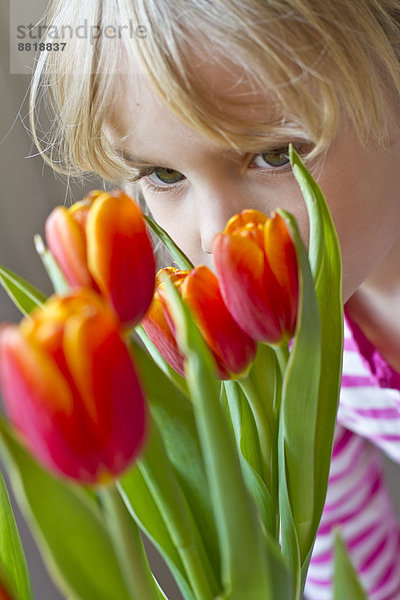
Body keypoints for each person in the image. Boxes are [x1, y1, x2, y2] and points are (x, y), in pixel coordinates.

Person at [28, 1, 400, 597]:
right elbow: (342, 548)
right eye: (164, 176)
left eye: (277, 155)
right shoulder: (294, 336)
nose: (214, 233)